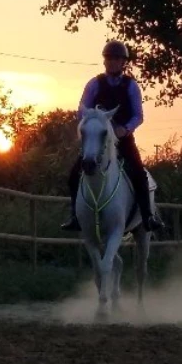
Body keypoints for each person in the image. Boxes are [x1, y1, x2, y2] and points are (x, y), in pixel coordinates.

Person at [61, 40, 165, 232]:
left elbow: (138, 115)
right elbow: (82, 109)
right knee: (74, 175)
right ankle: (75, 216)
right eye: (109, 59)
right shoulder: (94, 84)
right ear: (105, 61)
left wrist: (124, 129)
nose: (113, 62)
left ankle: (148, 216)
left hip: (123, 139)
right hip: (98, 139)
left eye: (117, 59)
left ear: (123, 62)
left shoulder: (131, 86)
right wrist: (93, 121)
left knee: (139, 174)